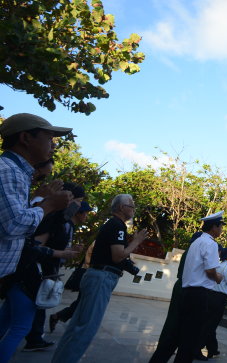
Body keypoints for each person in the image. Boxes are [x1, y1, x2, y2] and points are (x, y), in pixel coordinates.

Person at [52, 194, 147, 363]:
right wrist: (137, 241)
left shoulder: (112, 225)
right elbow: (118, 256)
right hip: (102, 278)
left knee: (77, 325)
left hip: (96, 276)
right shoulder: (117, 226)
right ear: (120, 208)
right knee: (86, 328)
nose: (133, 208)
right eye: (130, 205)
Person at [0, 113, 73, 280]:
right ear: (25, 138)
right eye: (49, 139)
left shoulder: (16, 172)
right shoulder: (8, 171)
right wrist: (50, 205)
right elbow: (14, 224)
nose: (54, 146)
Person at [23, 191, 91, 352]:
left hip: (46, 270)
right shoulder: (60, 223)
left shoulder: (68, 225)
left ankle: (35, 337)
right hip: (39, 270)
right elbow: (37, 246)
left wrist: (69, 250)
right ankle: (34, 338)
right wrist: (60, 253)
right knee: (29, 313)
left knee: (37, 306)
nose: (86, 215)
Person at [172, 212, 224, 363]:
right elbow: (210, 270)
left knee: (185, 334)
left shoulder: (196, 242)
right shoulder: (211, 244)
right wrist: (218, 277)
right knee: (193, 335)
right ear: (214, 227)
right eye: (220, 226)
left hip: (188, 292)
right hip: (199, 294)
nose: (221, 230)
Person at [148, 232, 203, 363]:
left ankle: (164, 348)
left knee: (174, 320)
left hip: (182, 285)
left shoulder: (189, 251)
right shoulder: (194, 252)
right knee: (176, 323)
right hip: (185, 286)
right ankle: (165, 348)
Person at [201, 247, 227, 358]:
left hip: (212, 295)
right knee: (212, 325)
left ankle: (213, 349)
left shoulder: (219, 265)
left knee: (209, 323)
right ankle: (199, 347)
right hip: (219, 298)